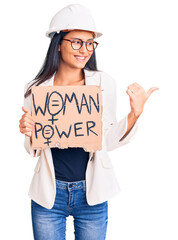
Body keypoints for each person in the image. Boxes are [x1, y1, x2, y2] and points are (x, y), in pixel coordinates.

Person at [19, 4, 159, 240]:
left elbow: (108, 141)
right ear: (58, 43)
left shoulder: (104, 83)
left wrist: (134, 114)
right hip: (49, 194)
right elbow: (34, 149)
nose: (85, 49)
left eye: (90, 43)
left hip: (92, 191)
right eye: (76, 42)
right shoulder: (35, 89)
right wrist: (28, 132)